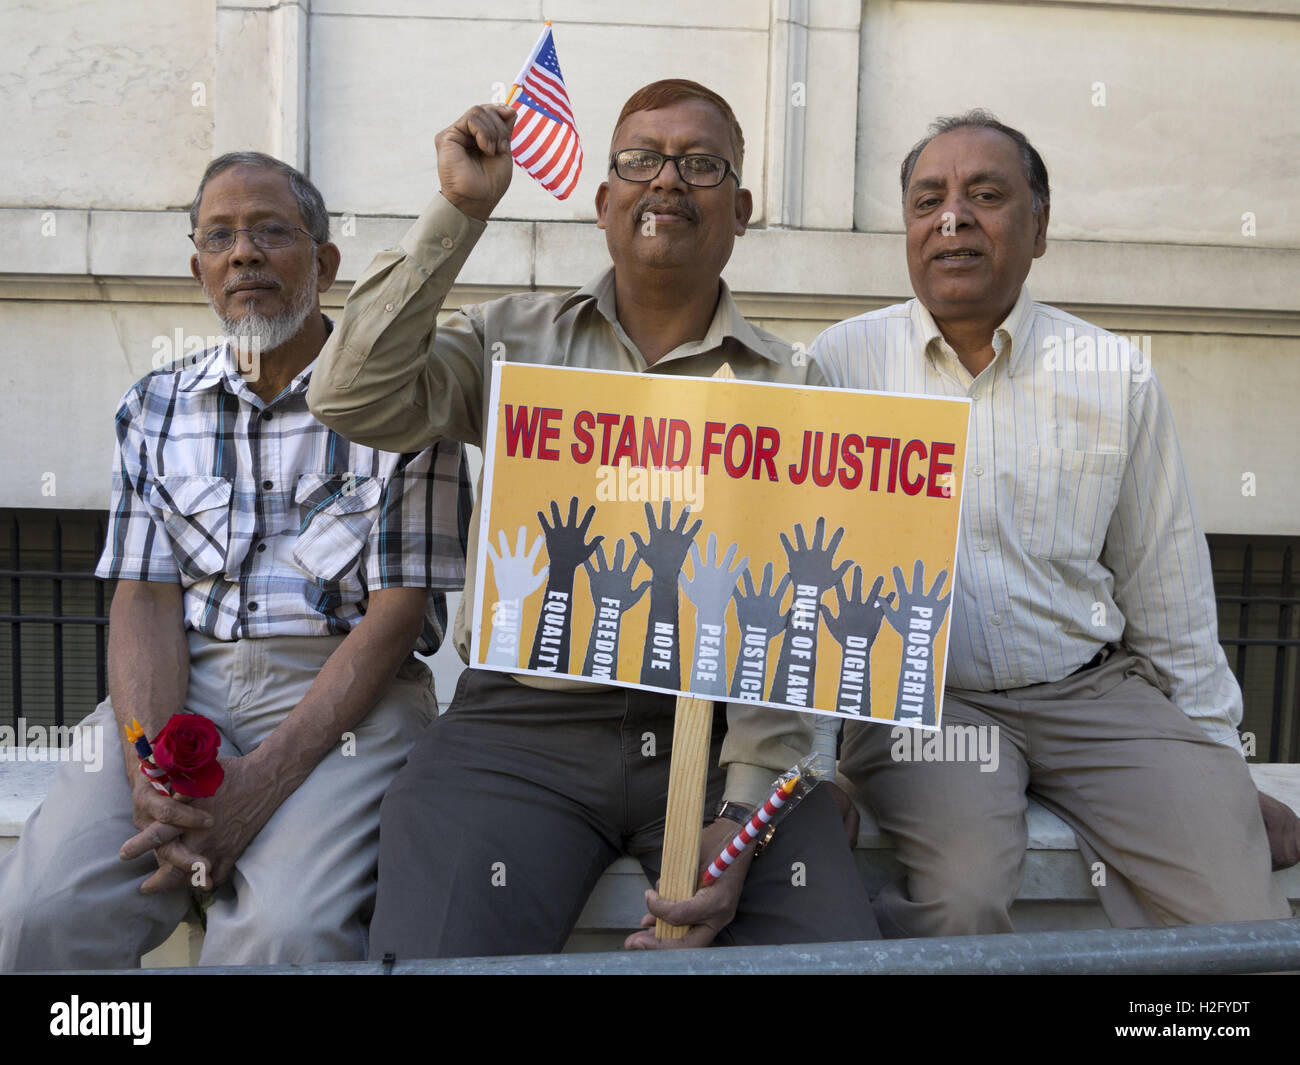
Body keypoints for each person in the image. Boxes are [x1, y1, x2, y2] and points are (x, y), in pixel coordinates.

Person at [307, 79, 879, 956]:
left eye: (701, 164)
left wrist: (744, 807)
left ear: (742, 208)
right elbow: (351, 394)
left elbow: (794, 623)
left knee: (829, 950)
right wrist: (459, 209)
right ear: (603, 199)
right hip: (519, 731)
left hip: (718, 725)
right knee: (434, 947)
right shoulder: (513, 341)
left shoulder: (794, 387)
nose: (667, 182)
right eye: (641, 160)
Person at [810, 110, 1298, 936]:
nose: (952, 219)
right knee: (959, 901)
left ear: (1040, 227)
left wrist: (1216, 764)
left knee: (1235, 912)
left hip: (1097, 695)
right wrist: (812, 767)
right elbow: (808, 585)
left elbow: (1167, 585)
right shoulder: (837, 367)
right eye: (928, 200)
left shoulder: (1114, 374)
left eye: (986, 195)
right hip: (930, 708)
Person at [0, 152, 470, 969]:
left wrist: (256, 786)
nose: (243, 253)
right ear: (199, 269)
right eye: (220, 237)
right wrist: (148, 761)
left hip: (346, 701)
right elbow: (144, 598)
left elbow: (396, 619)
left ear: (324, 263)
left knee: (283, 936)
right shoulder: (154, 405)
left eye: (269, 232)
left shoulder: (405, 406)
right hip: (185, 684)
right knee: (39, 913)